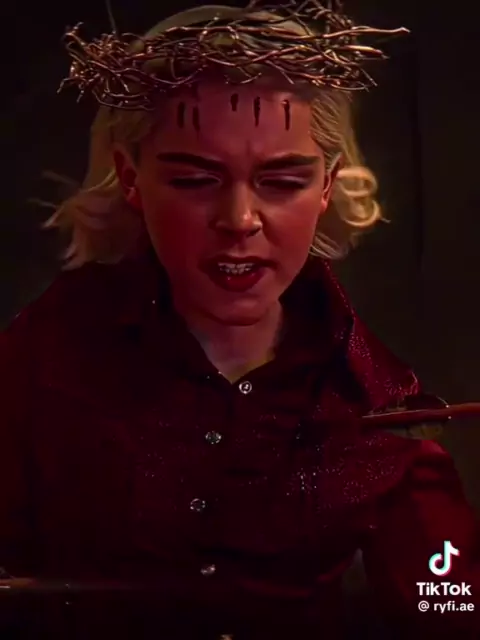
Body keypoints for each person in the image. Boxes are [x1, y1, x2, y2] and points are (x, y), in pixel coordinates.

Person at [0, 1, 479, 638]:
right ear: (130, 178)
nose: (239, 220)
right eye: (195, 179)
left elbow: (450, 610)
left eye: (281, 181)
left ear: (328, 186)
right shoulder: (45, 353)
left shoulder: (380, 407)